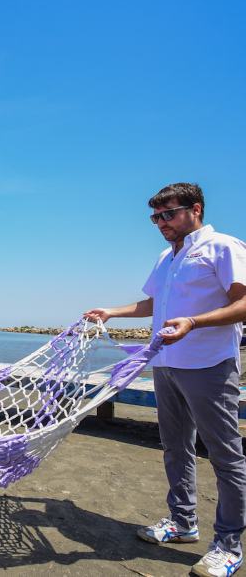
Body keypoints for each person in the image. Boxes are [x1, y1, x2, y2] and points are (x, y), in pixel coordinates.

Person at [85, 182, 246, 577]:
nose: (160, 223)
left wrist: (193, 322)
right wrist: (112, 312)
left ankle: (228, 545)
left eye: (168, 214)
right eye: (155, 217)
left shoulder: (223, 247)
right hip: (166, 363)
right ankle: (182, 523)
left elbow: (243, 303)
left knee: (225, 457)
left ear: (196, 209)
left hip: (209, 365)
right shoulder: (166, 257)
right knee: (175, 447)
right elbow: (156, 303)